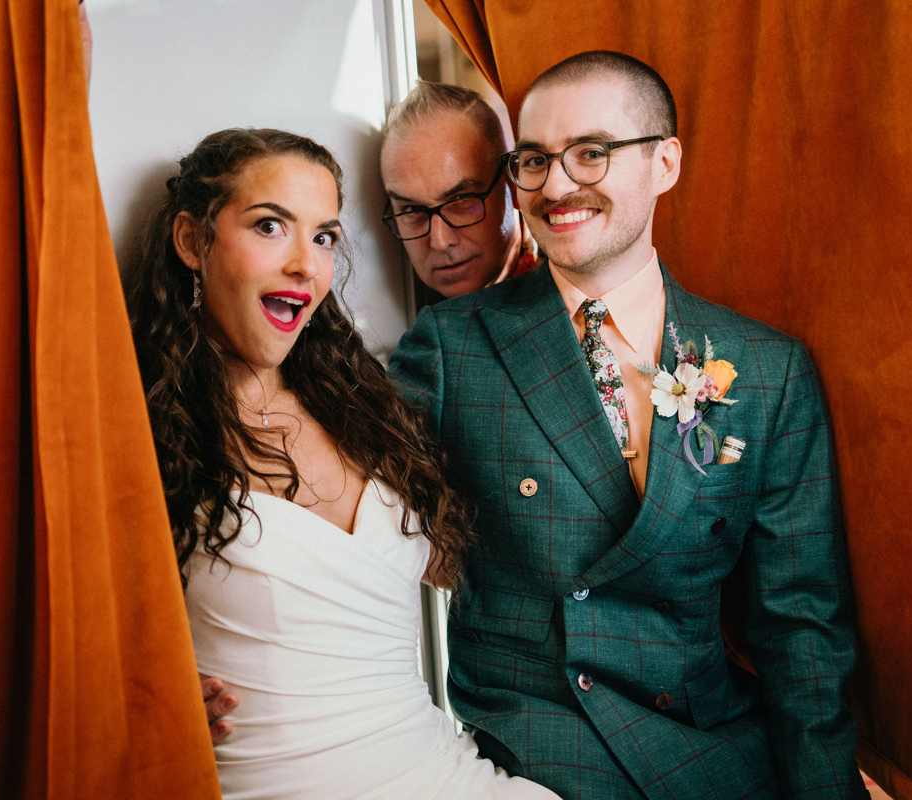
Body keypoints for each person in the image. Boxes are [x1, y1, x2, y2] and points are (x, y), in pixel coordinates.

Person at [388, 52, 867, 800]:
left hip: (712, 749)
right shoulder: (451, 348)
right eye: (535, 160)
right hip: (531, 758)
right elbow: (346, 525)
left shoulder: (769, 371)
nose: (556, 185)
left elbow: (800, 628)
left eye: (591, 153)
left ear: (665, 162)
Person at [124, 128, 560, 800]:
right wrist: (140, 688)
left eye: (325, 236)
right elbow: (63, 630)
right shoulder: (141, 433)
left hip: (443, 771)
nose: (307, 264)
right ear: (191, 241)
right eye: (271, 226)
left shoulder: (361, 405)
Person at [380, 82, 537, 298]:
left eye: (461, 200)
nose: (440, 242)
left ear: (513, 183)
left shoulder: (573, 295)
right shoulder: (408, 310)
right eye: (411, 210)